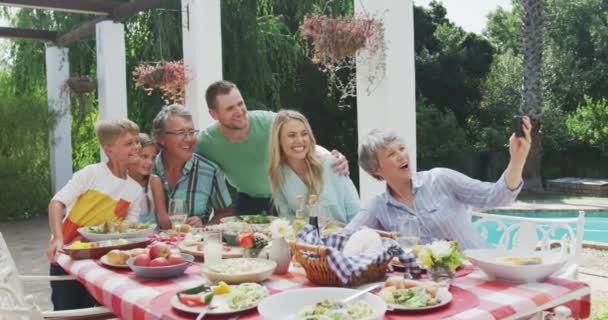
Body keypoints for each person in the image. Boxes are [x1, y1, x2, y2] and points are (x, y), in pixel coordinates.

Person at [346, 117, 532, 250]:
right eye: (392, 154)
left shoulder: (440, 179)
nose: (402, 155)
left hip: (480, 273)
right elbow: (345, 238)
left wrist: (517, 159)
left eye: (402, 148)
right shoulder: (378, 207)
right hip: (435, 287)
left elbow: (496, 196)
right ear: (375, 169)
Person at [196, 80, 349, 216]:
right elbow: (183, 160)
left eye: (240, 103)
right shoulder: (206, 142)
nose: (239, 111)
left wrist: (330, 157)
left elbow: (301, 142)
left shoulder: (271, 122)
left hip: (287, 198)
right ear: (214, 114)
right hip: (247, 202)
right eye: (230, 108)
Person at [47, 119, 143, 310]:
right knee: (67, 311)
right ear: (109, 150)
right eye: (129, 143)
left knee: (98, 312)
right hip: (69, 256)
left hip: (102, 261)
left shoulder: (135, 190)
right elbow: (56, 203)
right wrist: (57, 238)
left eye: (137, 141)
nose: (137, 147)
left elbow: (129, 225)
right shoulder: (91, 174)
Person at [268, 110, 360, 223]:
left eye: (304, 134)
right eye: (291, 135)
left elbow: (355, 212)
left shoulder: (332, 164)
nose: (300, 140)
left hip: (343, 237)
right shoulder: (278, 172)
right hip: (303, 239)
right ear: (278, 140)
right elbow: (287, 218)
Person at [151, 104, 232, 229]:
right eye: (181, 132)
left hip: (192, 246)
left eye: (191, 132)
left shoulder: (210, 171)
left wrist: (205, 227)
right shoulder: (146, 170)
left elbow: (226, 212)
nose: (189, 139)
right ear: (161, 138)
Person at [128, 133, 164, 225]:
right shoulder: (121, 183)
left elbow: (164, 220)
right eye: (144, 156)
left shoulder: (154, 182)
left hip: (154, 238)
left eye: (153, 158)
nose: (150, 162)